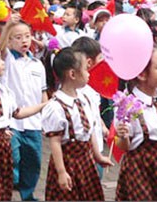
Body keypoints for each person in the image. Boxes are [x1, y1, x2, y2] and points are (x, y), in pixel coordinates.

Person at [0, 42, 47, 201]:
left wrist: (44, 105)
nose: (3, 62)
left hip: (2, 148)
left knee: (4, 191)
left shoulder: (3, 89)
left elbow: (17, 113)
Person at [41, 47, 112, 201]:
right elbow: (55, 142)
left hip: (86, 160)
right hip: (68, 161)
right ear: (72, 74)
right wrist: (61, 172)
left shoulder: (85, 98)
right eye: (86, 70)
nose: (89, 73)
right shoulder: (56, 107)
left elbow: (91, 129)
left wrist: (98, 156)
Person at [115, 47, 157, 201]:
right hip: (139, 168)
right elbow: (124, 146)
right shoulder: (127, 104)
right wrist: (123, 135)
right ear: (142, 74)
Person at [0, 16, 48, 201]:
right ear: (10, 40)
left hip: (33, 122)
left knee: (34, 161)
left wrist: (46, 118)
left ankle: (28, 195)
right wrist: (9, 26)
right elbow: (1, 47)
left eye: (27, 36)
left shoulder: (37, 64)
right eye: (17, 37)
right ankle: (9, 186)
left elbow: (43, 94)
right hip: (11, 121)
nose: (24, 40)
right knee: (13, 157)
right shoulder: (7, 60)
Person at [71, 37, 110, 179]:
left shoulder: (94, 87)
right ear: (89, 63)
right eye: (100, 58)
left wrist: (103, 126)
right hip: (84, 150)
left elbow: (94, 113)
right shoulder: (77, 89)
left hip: (97, 146)